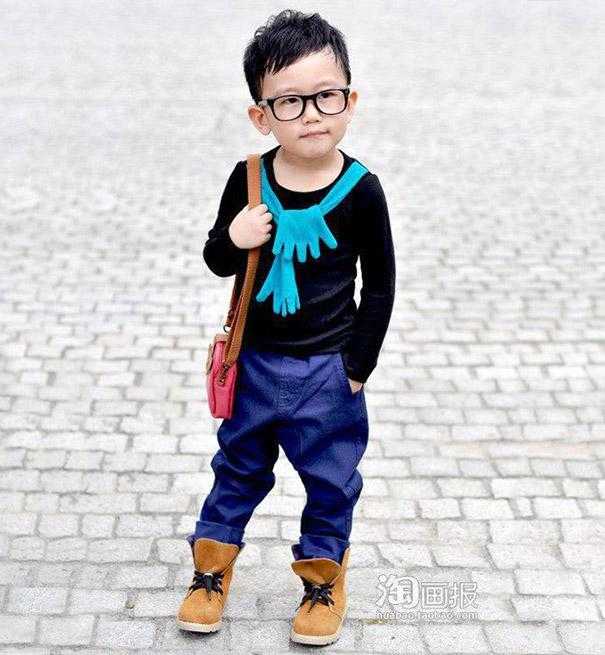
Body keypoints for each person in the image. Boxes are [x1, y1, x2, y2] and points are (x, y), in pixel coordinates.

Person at [177, 8, 396, 646]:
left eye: (326, 96)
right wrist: (236, 235)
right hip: (253, 363)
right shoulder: (249, 179)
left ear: (350, 101)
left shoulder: (362, 190)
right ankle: (210, 572)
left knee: (331, 480)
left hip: (328, 371)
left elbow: (380, 284)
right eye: (289, 101)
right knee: (237, 470)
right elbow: (218, 258)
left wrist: (357, 367)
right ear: (261, 115)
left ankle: (323, 581)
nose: (311, 114)